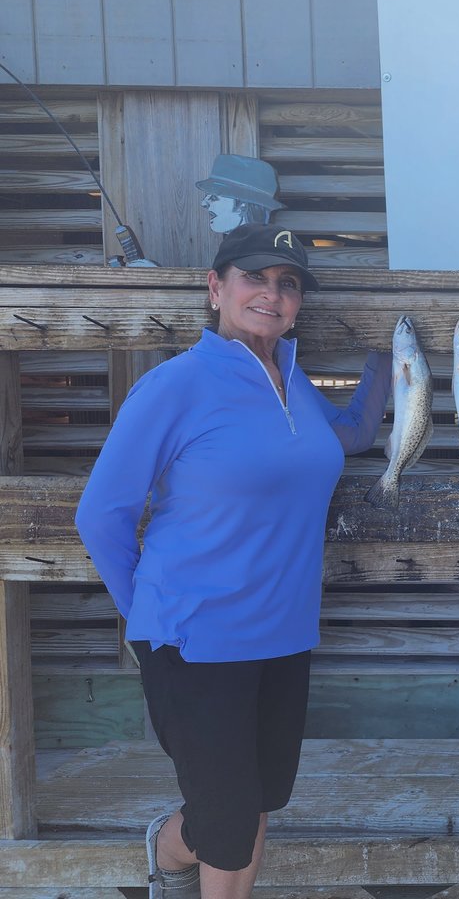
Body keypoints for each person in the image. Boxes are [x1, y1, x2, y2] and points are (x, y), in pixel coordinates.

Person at [75, 223, 393, 899]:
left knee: (255, 804)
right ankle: (176, 857)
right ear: (216, 287)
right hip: (193, 638)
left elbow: (355, 433)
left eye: (288, 284)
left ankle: (171, 850)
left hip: (283, 633)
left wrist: (390, 356)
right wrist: (150, 616)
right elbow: (100, 514)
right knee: (225, 818)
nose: (271, 295)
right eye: (254, 278)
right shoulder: (176, 386)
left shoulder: (293, 383)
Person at [197, 155, 285, 234]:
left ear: (243, 206)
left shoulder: (257, 248)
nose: (203, 203)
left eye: (214, 198)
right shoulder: (236, 246)